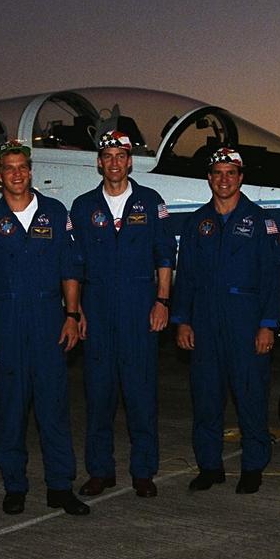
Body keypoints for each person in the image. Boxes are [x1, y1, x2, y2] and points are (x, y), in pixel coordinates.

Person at [0, 140, 90, 516]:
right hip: (6, 321)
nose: (18, 174)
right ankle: (15, 486)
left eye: (23, 166)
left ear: (30, 170)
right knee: (11, 409)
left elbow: (70, 268)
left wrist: (71, 315)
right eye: (9, 168)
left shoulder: (55, 213)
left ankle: (60, 486)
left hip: (47, 319)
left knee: (53, 408)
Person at [170, 147, 280, 494]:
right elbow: (185, 275)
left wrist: (267, 323)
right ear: (209, 178)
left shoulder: (262, 222)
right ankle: (209, 466)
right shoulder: (196, 223)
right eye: (217, 173)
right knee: (206, 398)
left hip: (245, 321)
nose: (224, 179)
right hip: (204, 321)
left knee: (250, 396)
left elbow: (272, 277)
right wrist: (182, 320)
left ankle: (252, 466)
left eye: (230, 173)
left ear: (240, 177)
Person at [69, 131, 175, 498]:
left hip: (139, 310)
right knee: (98, 396)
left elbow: (165, 256)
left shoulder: (151, 202)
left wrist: (162, 302)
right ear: (99, 162)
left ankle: (143, 471)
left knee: (141, 394)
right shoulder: (83, 207)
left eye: (121, 156)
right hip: (96, 313)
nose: (114, 162)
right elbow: (74, 265)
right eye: (108, 156)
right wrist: (75, 310)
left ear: (130, 162)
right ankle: (100, 471)